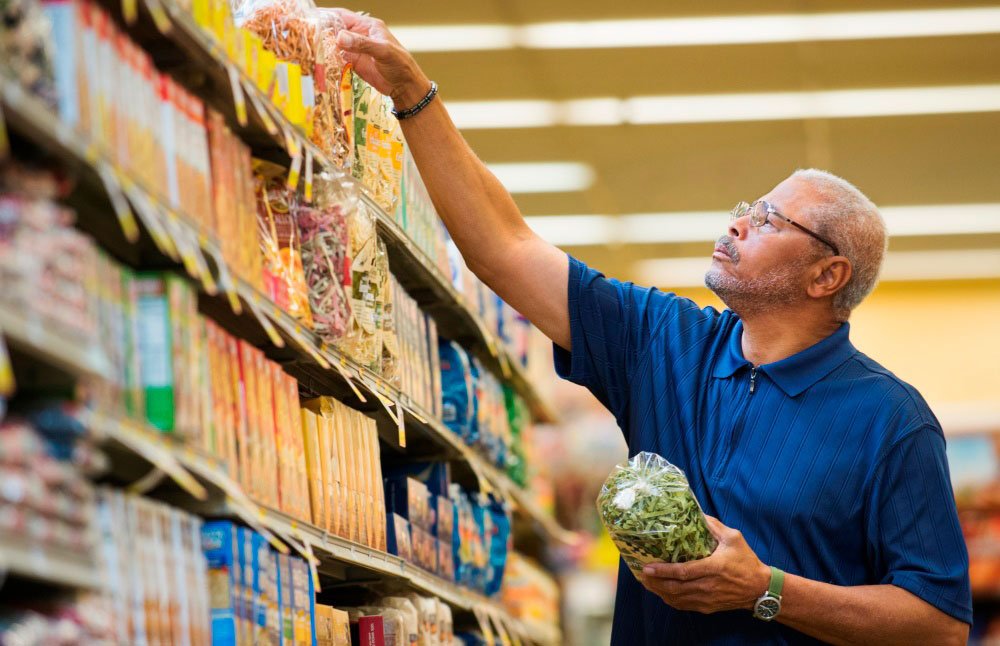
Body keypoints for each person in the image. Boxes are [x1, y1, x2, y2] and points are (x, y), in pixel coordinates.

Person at [332, 11, 972, 645]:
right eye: (746, 209)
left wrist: (768, 590)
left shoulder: (889, 419)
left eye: (771, 221)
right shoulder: (665, 342)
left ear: (827, 275)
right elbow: (503, 246)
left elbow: (939, 624)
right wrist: (413, 93)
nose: (738, 224)